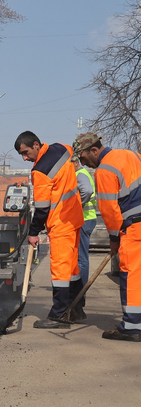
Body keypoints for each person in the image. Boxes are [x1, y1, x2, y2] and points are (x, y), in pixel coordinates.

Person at [73, 132, 141, 342]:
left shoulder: (103, 171)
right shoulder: (132, 155)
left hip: (134, 227)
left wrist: (114, 239)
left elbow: (110, 211)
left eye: (84, 158)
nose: (84, 163)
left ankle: (131, 327)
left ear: (94, 150)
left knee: (131, 276)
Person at [15, 131, 84, 328]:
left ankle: (59, 315)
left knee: (61, 270)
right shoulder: (62, 149)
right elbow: (74, 156)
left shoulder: (40, 171)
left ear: (36, 145)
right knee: (72, 269)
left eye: (26, 152)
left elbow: (43, 207)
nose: (25, 158)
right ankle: (77, 309)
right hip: (75, 218)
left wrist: (33, 232)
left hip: (61, 223)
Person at [73, 154, 97, 285]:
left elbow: (87, 191)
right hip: (87, 219)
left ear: (75, 162)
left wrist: (76, 206)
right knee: (80, 257)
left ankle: (80, 291)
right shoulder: (83, 174)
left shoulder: (80, 174)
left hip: (84, 219)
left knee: (81, 259)